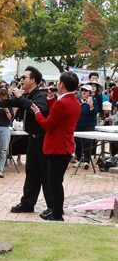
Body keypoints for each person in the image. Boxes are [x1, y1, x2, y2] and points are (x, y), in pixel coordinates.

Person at [0, 66, 52, 218]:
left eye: (24, 78)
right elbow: (6, 102)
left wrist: (20, 97)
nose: (21, 81)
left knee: (45, 174)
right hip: (32, 139)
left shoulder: (41, 95)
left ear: (33, 80)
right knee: (31, 172)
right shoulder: (25, 95)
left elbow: (36, 109)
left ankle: (52, 206)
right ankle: (27, 203)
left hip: (43, 139)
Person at [31, 71, 80, 221]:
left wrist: (37, 113)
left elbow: (48, 124)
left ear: (62, 85)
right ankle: (56, 210)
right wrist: (51, 100)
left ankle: (57, 213)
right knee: (55, 181)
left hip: (57, 146)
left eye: (58, 82)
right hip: (65, 146)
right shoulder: (73, 101)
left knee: (55, 183)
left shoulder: (62, 103)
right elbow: (59, 114)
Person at [73, 84, 99, 169]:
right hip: (78, 124)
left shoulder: (93, 100)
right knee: (78, 142)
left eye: (85, 90)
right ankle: (79, 159)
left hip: (88, 125)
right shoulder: (77, 100)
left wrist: (91, 106)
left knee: (87, 143)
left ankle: (87, 160)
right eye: (82, 90)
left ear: (89, 92)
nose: (83, 92)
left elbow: (95, 113)